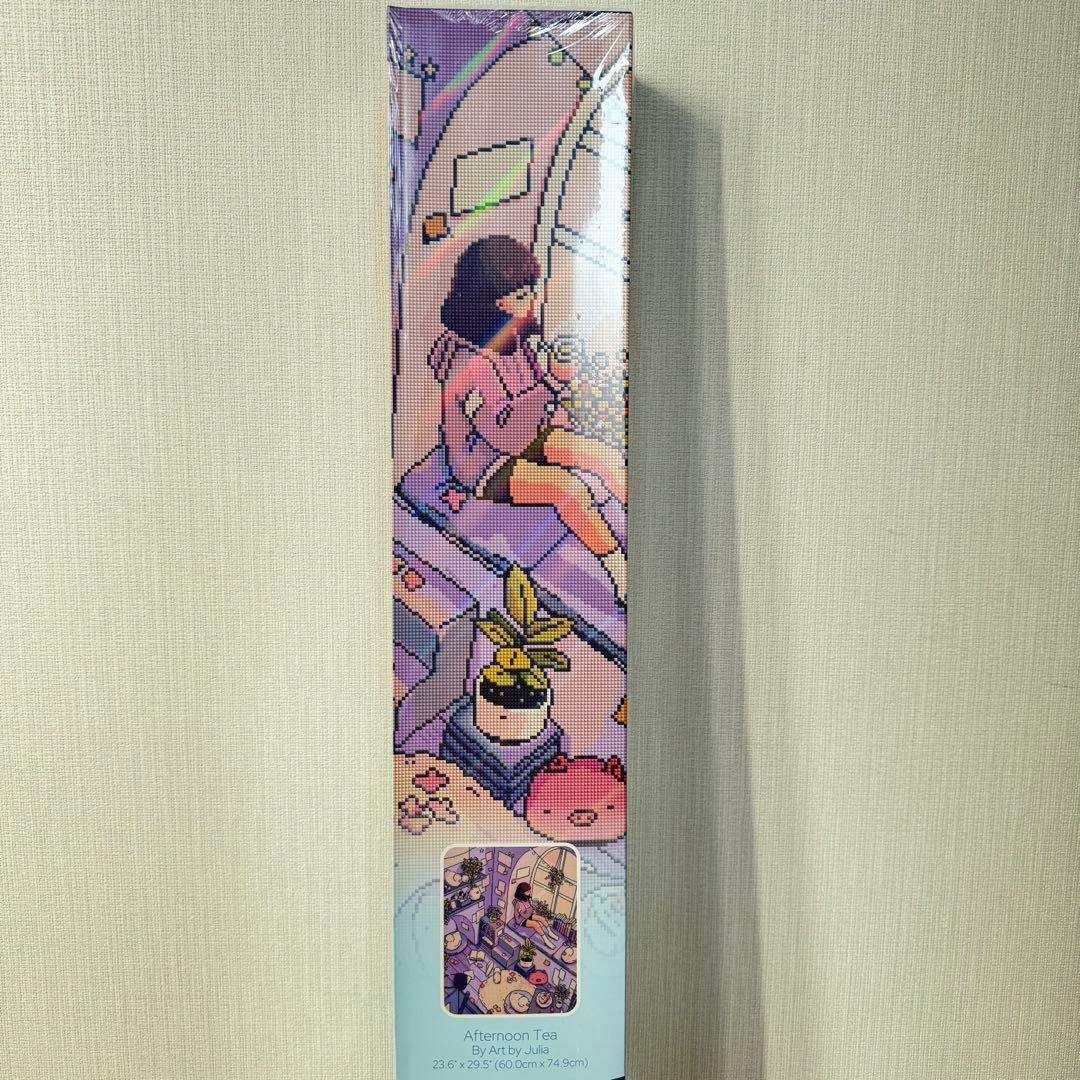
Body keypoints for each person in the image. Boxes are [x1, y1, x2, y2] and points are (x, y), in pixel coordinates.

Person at [427, 234, 627, 604]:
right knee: (569, 490)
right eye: (521, 295)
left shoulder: (515, 333)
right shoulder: (469, 362)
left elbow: (533, 402)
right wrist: (552, 384)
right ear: (490, 301)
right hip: (485, 460)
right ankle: (622, 574)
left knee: (605, 457)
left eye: (532, 290)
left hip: (527, 432)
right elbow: (505, 436)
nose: (532, 300)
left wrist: (562, 418)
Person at [512, 882, 559, 947]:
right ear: (522, 892)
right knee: (536, 924)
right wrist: (531, 909)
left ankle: (550, 932)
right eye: (527, 891)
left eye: (529, 890)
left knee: (541, 918)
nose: (529, 892)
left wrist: (533, 906)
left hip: (528, 914)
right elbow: (525, 915)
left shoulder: (526, 898)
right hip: (521, 919)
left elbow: (530, 908)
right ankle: (546, 940)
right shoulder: (519, 903)